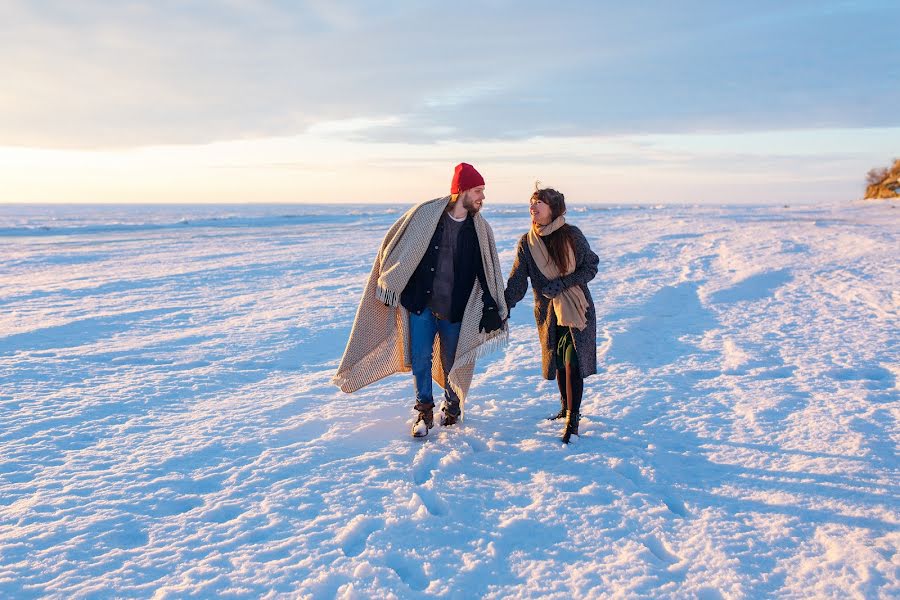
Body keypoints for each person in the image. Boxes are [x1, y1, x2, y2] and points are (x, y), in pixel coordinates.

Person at [333, 163, 508, 437]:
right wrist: (391, 279)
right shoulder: (426, 216)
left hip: (455, 307)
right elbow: (397, 244)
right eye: (477, 191)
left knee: (453, 361)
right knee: (420, 359)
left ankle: (452, 407)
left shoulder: (480, 229)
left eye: (482, 191)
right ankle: (423, 410)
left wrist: (491, 304)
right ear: (461, 191)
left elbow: (486, 270)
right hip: (422, 305)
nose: (482, 197)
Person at [504, 185, 599, 443]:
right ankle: (564, 407)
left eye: (539, 203)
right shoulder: (527, 242)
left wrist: (564, 283)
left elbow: (591, 266)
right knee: (558, 362)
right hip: (547, 313)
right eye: (531, 203)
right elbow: (517, 281)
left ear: (553, 208)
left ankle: (573, 419)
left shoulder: (571, 235)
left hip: (577, 308)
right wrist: (504, 304)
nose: (533, 207)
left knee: (572, 361)